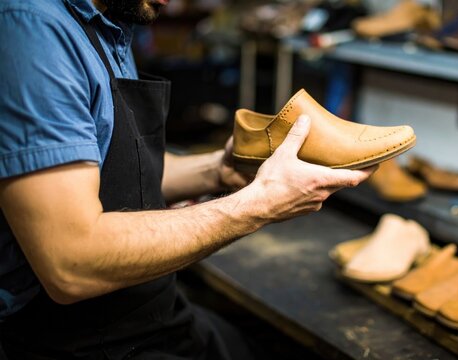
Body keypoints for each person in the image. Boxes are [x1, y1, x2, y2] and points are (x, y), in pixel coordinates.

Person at [0, 0, 374, 358]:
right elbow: (71, 264)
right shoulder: (33, 29)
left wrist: (217, 170)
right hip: (70, 339)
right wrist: (258, 205)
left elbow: (113, 170)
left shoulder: (109, 22)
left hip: (139, 307)